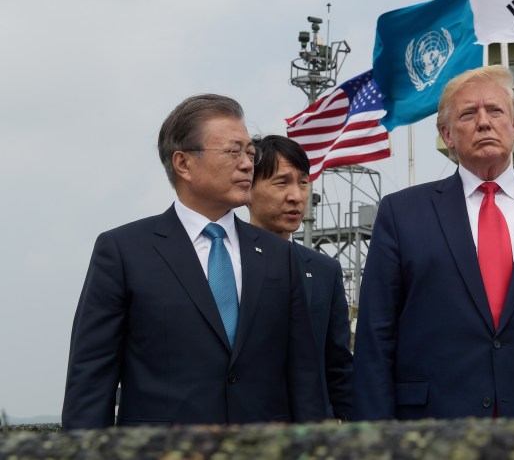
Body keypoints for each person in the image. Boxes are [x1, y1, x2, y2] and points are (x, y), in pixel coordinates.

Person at [352, 65, 514, 419]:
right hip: (431, 430)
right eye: (468, 114)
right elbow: (376, 338)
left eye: (495, 111)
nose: (483, 122)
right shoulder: (401, 215)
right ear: (447, 134)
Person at [63, 95, 323, 428]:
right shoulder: (123, 252)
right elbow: (90, 381)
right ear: (184, 163)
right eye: (232, 151)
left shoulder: (281, 257)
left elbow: (305, 381)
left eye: (249, 152)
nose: (247, 164)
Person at [248, 135, 353, 421]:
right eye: (282, 183)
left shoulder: (325, 271)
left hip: (311, 434)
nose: (296, 196)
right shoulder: (225, 263)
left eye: (303, 183)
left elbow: (338, 365)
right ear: (248, 188)